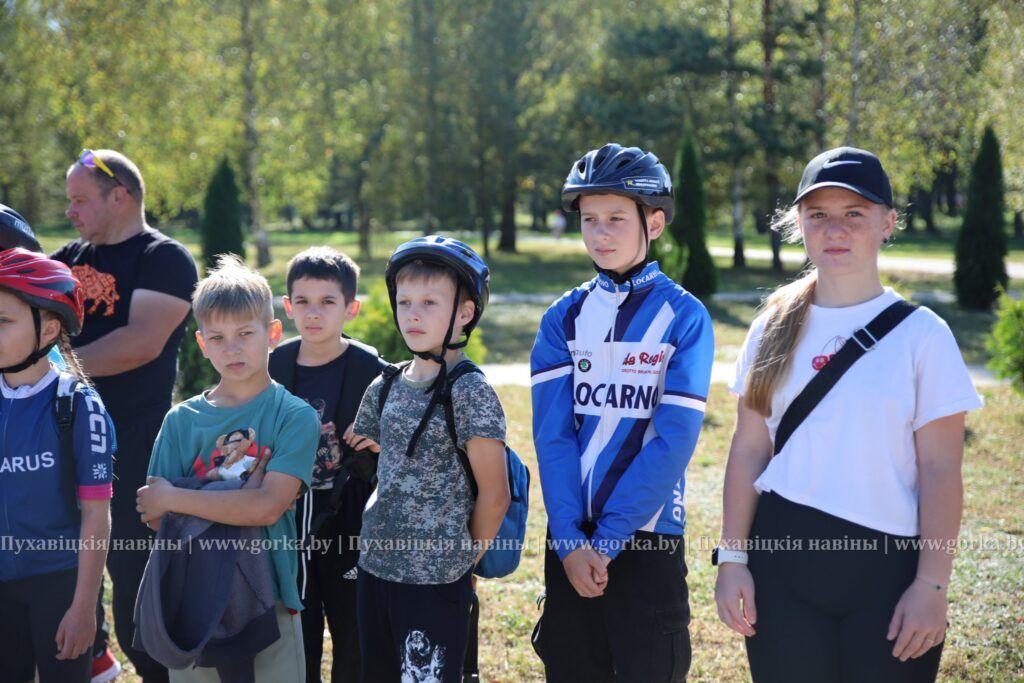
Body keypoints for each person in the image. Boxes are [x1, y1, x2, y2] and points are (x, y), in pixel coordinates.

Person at [715, 147, 983, 682]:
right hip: (781, 563)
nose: (835, 230)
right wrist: (733, 560)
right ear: (799, 225)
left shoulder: (922, 335)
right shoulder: (771, 327)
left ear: (887, 223)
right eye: (818, 215)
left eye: (854, 214)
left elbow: (939, 470)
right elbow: (748, 450)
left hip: (889, 570)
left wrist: (932, 585)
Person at [530, 143, 714, 682]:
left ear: (654, 222)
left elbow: (672, 441)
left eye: (616, 218)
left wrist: (608, 540)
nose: (600, 233)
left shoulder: (685, 317)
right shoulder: (562, 317)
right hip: (570, 540)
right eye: (589, 219)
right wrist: (570, 541)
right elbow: (553, 437)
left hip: (647, 536)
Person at [135, 254, 319, 682]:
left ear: (273, 333)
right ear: (202, 344)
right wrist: (239, 495)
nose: (232, 348)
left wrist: (183, 495)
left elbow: (267, 508)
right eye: (217, 338)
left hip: (270, 599)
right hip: (191, 596)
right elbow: (155, 513)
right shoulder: (181, 421)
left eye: (245, 334)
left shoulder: (294, 416)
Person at [54, 148, 198, 683]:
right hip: (59, 436)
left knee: (133, 573)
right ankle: (91, 662)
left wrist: (48, 367)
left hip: (132, 444)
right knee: (59, 565)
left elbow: (139, 344)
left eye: (79, 200)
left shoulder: (164, 258)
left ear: (119, 196)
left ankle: (158, 672)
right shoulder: (67, 257)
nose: (69, 211)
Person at [345, 236, 510, 683]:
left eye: (429, 303)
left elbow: (495, 495)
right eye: (404, 302)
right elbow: (385, 462)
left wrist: (462, 561)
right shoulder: (385, 385)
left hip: (435, 581)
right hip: (376, 568)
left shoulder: (470, 391)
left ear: (465, 313)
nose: (412, 314)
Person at [268, 246, 387, 682]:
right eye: (302, 301)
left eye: (327, 302)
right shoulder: (273, 366)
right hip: (286, 513)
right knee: (296, 630)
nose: (313, 313)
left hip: (351, 515)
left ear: (351, 308)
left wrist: (380, 440)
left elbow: (406, 439)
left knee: (353, 630)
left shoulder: (374, 370)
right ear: (287, 306)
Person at [0, 249, 115, 682]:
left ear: (48, 329)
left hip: (58, 584)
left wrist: (85, 609)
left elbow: (96, 514)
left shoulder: (77, 405)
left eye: (2, 320)